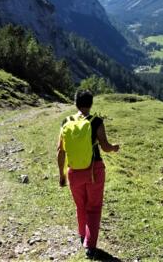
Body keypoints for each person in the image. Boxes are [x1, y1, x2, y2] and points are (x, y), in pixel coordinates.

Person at [57, 89, 120, 259]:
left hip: (74, 172)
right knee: (94, 207)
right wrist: (114, 148)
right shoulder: (96, 121)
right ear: (91, 104)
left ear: (75, 103)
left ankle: (82, 235)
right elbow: (105, 147)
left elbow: (60, 151)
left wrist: (62, 175)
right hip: (94, 171)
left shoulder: (66, 122)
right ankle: (90, 246)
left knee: (81, 206)